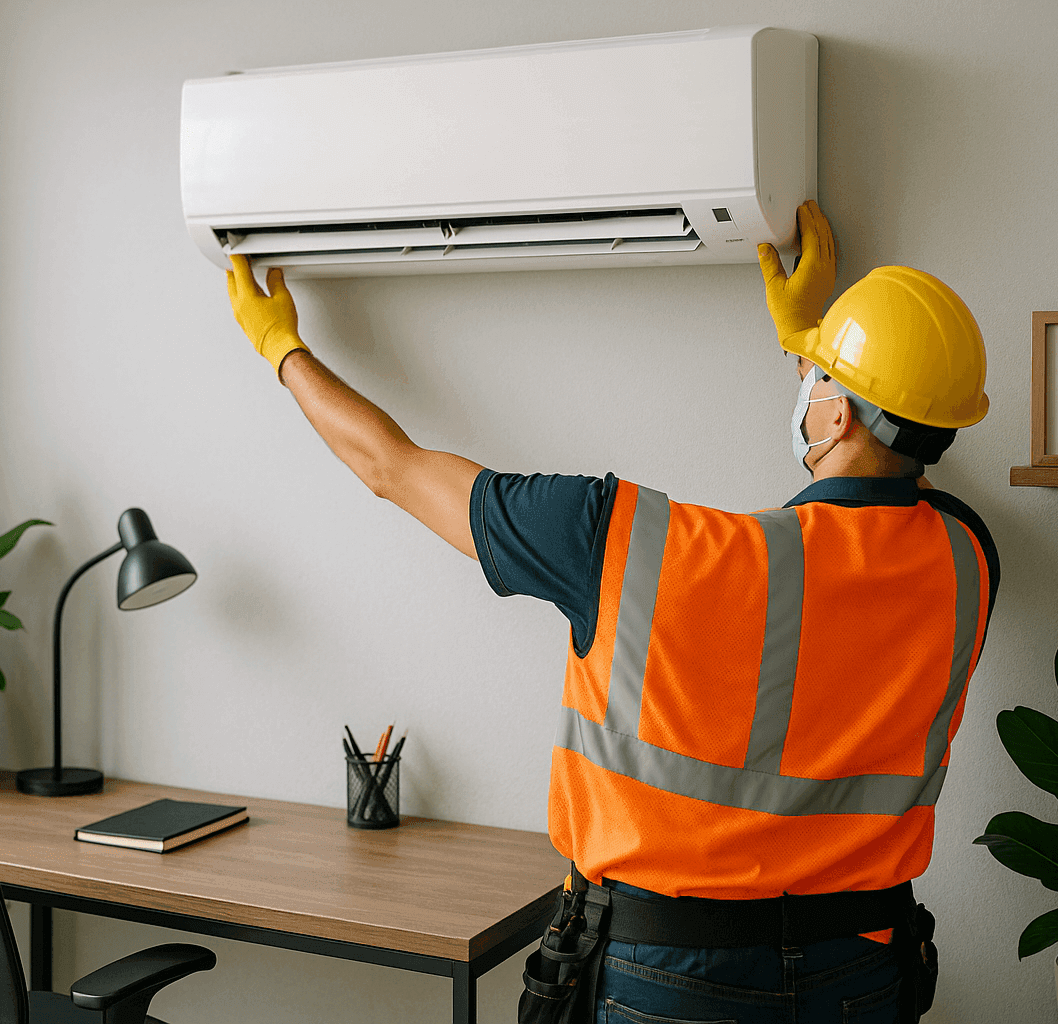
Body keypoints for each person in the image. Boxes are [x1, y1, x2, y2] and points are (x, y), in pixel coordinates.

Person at [224, 202, 998, 1024]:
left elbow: (392, 468)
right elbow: (873, 482)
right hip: (863, 973)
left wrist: (283, 349)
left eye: (817, 382)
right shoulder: (968, 560)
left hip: (667, 978)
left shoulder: (623, 543)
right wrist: (806, 342)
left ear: (835, 412)